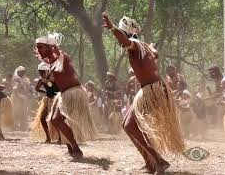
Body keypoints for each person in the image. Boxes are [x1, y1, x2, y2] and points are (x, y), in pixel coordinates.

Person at [103, 12, 185, 174]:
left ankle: (159, 161)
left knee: (129, 126)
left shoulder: (133, 43)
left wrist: (112, 27)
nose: (120, 39)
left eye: (120, 31)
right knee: (127, 125)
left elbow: (125, 40)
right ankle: (150, 162)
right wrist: (153, 48)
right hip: (152, 89)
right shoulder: (143, 46)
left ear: (125, 32)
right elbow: (155, 54)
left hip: (152, 90)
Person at [34, 32, 97, 158]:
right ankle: (71, 148)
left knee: (56, 120)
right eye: (37, 47)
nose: (38, 50)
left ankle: (76, 148)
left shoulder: (59, 56)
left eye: (40, 47)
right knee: (54, 120)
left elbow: (56, 53)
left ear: (48, 47)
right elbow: (49, 62)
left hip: (73, 92)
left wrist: (53, 44)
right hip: (64, 94)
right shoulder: (51, 60)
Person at [31, 62, 61, 143]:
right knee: (42, 118)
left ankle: (60, 138)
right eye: (40, 72)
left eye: (42, 72)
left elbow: (61, 87)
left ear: (47, 71)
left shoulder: (55, 77)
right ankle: (48, 137)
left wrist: (58, 94)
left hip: (56, 100)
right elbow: (36, 88)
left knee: (55, 119)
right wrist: (44, 92)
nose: (41, 73)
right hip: (48, 100)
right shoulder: (41, 79)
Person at [10, 66, 31, 130]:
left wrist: (28, 94)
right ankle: (14, 125)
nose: (23, 73)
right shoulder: (17, 79)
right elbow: (15, 88)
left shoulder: (25, 79)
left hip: (23, 98)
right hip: (17, 98)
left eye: (23, 71)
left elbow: (27, 88)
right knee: (16, 112)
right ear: (18, 72)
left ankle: (23, 126)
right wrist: (19, 96)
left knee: (23, 111)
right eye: (21, 72)